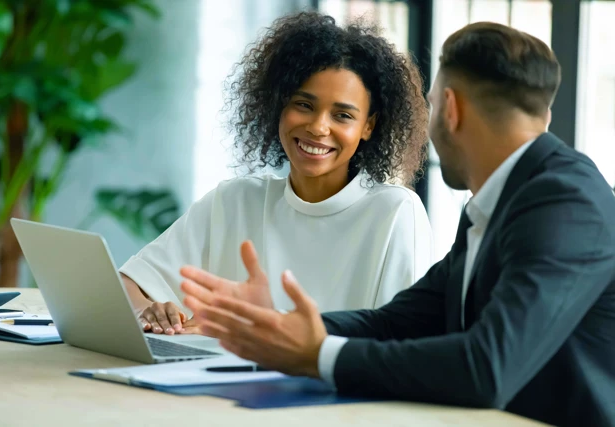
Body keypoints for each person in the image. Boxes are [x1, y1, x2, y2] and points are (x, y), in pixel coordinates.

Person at [180, 22, 615, 427]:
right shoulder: (500, 203)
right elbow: (397, 322)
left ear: (450, 108)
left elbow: (487, 367)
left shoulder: (566, 202)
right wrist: (277, 328)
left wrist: (318, 355)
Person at [119, 12, 433, 336]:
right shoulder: (235, 201)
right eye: (304, 105)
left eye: (342, 115)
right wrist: (147, 310)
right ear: (278, 104)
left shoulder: (394, 213)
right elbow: (125, 284)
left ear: (368, 125)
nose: (318, 127)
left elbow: (401, 342)